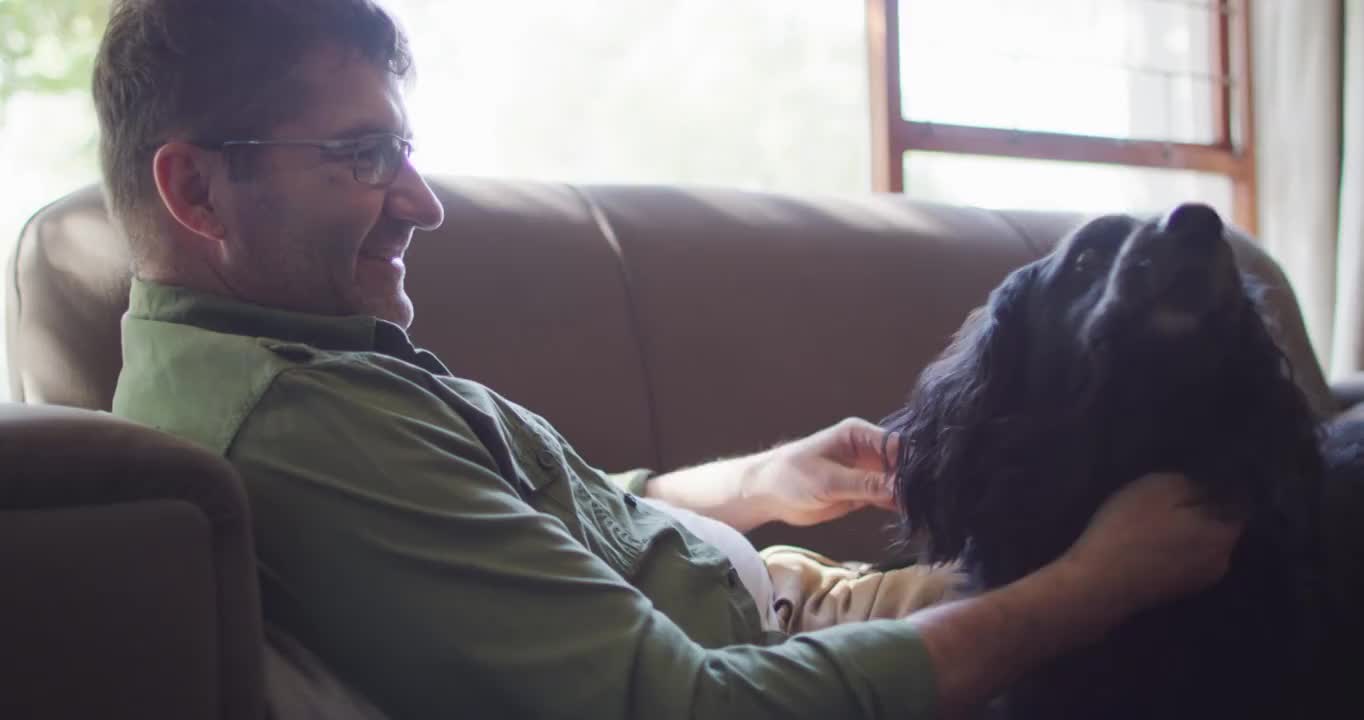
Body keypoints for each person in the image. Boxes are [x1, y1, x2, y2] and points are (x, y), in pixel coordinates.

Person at [93, 0, 1243, 718]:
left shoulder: (299, 351)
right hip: (790, 657)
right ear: (196, 188)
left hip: (803, 606)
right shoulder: (296, 421)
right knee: (1246, 564)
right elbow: (693, 708)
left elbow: (536, 528)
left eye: (402, 149)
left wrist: (757, 484)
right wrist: (1096, 586)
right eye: (359, 156)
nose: (420, 202)